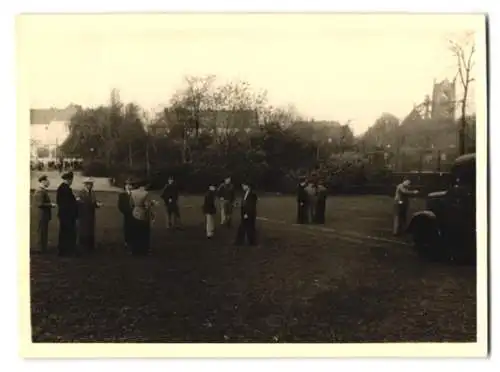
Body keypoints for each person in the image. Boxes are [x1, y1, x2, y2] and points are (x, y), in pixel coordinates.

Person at [56, 171, 78, 257]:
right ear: (69, 180)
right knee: (68, 232)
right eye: (71, 180)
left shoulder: (61, 188)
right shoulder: (66, 189)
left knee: (64, 232)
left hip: (63, 214)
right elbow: (68, 203)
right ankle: (67, 250)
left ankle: (63, 249)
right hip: (67, 215)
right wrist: (75, 203)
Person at [77, 178, 102, 253]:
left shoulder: (92, 193)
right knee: (84, 229)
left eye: (91, 184)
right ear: (85, 185)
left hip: (91, 213)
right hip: (83, 214)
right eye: (88, 184)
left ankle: (90, 246)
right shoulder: (81, 193)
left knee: (90, 228)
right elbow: (80, 203)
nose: (90, 186)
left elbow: (93, 202)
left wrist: (97, 204)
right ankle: (83, 245)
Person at [130, 180, 155, 256]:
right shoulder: (146, 194)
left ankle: (134, 250)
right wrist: (152, 204)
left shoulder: (132, 192)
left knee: (135, 232)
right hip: (143, 213)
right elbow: (147, 205)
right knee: (144, 233)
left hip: (134, 212)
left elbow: (130, 204)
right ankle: (144, 250)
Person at [33, 175, 56, 253]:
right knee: (41, 231)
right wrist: (50, 205)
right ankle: (40, 248)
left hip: (43, 214)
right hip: (41, 215)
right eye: (47, 180)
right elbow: (40, 204)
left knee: (43, 231)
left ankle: (43, 248)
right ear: (43, 181)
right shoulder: (40, 191)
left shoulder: (42, 190)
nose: (48, 182)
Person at [235, 181, 258, 246]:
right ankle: (240, 241)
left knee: (249, 228)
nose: (242, 187)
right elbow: (245, 203)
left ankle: (251, 242)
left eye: (244, 186)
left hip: (249, 214)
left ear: (248, 186)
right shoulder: (245, 193)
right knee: (244, 227)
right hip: (245, 214)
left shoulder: (252, 194)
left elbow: (251, 205)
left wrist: (247, 214)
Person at [118, 178, 134, 249]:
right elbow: (120, 205)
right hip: (127, 213)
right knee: (127, 227)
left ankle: (133, 240)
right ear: (125, 186)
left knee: (133, 227)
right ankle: (127, 241)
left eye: (130, 185)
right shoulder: (122, 195)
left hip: (134, 213)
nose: (129, 186)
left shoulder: (134, 194)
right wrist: (125, 211)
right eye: (127, 185)